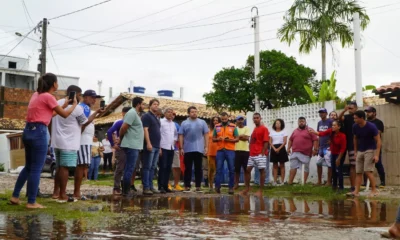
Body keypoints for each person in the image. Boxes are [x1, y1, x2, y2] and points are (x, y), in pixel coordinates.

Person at [9, 73, 78, 209]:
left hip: (28, 131)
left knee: (28, 166)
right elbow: (64, 115)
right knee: (36, 169)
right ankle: (32, 201)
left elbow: (48, 114)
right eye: (57, 82)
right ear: (53, 84)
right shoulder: (49, 96)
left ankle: (15, 196)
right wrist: (74, 105)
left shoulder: (36, 95)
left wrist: (64, 105)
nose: (58, 84)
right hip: (39, 132)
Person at [51, 85, 100, 202]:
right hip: (69, 142)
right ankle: (63, 195)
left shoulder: (57, 103)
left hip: (56, 141)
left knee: (59, 167)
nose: (80, 98)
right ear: (75, 94)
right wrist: (96, 114)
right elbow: (84, 122)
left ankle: (56, 193)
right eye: (79, 95)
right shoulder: (76, 108)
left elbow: (50, 119)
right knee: (65, 168)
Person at [73, 89, 104, 200]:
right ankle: (76, 192)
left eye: (95, 98)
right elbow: (83, 124)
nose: (94, 100)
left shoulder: (86, 108)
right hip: (83, 141)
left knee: (83, 166)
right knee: (81, 166)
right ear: (85, 97)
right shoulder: (84, 107)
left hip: (85, 140)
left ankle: (77, 192)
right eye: (92, 97)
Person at [347, 110, 381, 198]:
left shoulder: (371, 127)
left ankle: (374, 190)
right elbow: (355, 139)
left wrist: (377, 154)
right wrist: (355, 152)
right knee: (358, 171)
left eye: (356, 118)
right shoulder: (355, 126)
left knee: (368, 171)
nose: (354, 120)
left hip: (370, 149)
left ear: (361, 118)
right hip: (360, 150)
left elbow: (378, 141)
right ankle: (356, 191)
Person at [309, 120, 347, 191]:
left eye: (334, 125)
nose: (332, 127)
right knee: (333, 169)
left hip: (340, 154)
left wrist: (338, 158)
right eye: (332, 125)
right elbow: (322, 134)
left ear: (339, 127)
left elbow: (343, 148)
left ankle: (341, 187)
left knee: (339, 170)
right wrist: (313, 132)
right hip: (333, 153)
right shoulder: (331, 132)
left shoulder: (342, 136)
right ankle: (334, 186)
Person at [179, 106, 209, 192]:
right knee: (188, 168)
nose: (194, 113)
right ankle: (187, 186)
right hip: (187, 148)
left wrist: (206, 147)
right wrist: (181, 147)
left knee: (198, 168)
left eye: (195, 111)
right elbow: (181, 135)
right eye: (192, 112)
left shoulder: (202, 122)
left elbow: (206, 134)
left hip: (199, 148)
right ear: (189, 113)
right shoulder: (184, 123)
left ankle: (198, 186)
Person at [119, 97, 145, 196]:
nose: (144, 106)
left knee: (130, 167)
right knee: (129, 168)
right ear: (138, 104)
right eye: (143, 104)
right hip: (131, 145)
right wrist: (121, 139)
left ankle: (125, 190)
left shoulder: (136, 114)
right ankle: (126, 191)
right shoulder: (132, 113)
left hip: (134, 145)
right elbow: (123, 128)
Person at [240, 113, 269, 197]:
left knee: (261, 171)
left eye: (257, 118)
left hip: (260, 153)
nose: (255, 119)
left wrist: (263, 152)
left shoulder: (264, 129)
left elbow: (266, 141)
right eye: (254, 118)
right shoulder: (255, 128)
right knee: (247, 170)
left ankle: (260, 190)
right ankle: (247, 188)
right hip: (252, 153)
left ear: (260, 118)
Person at [107, 107, 132, 195]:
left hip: (131, 147)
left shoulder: (133, 123)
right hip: (121, 148)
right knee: (120, 168)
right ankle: (116, 187)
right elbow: (109, 132)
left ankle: (126, 187)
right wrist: (113, 144)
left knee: (129, 168)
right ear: (123, 113)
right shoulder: (120, 122)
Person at [213, 112, 239, 194]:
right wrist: (218, 138)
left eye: (225, 118)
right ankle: (217, 187)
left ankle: (231, 187)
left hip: (230, 150)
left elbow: (237, 139)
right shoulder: (217, 126)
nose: (224, 120)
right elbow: (213, 139)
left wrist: (230, 140)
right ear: (221, 118)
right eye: (222, 119)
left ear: (228, 118)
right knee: (218, 169)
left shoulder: (233, 126)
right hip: (220, 150)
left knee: (231, 169)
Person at [287, 117, 318, 184]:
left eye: (303, 121)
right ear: (298, 122)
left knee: (306, 168)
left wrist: (315, 149)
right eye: (300, 121)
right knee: (293, 167)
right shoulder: (295, 131)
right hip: (295, 152)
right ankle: (290, 183)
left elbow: (315, 140)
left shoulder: (310, 130)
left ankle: (303, 183)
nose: (301, 122)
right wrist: (288, 148)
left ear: (305, 122)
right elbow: (290, 140)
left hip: (306, 153)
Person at [142, 99, 161, 195]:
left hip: (157, 146)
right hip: (150, 145)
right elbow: (145, 130)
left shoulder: (156, 117)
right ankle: (146, 187)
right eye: (154, 104)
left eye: (157, 104)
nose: (156, 106)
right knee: (147, 166)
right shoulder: (146, 116)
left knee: (153, 167)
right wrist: (148, 143)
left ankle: (151, 186)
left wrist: (159, 146)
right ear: (150, 105)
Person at [338, 101, 358, 192]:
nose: (350, 109)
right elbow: (339, 118)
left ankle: (356, 185)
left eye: (352, 108)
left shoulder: (359, 117)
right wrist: (344, 110)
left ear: (356, 108)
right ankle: (348, 186)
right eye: (349, 108)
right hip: (346, 143)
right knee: (347, 165)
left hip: (355, 144)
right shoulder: (346, 117)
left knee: (355, 165)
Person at [364, 106, 385, 187]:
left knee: (378, 163)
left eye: (369, 112)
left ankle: (383, 182)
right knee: (365, 164)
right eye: (367, 112)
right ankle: (365, 183)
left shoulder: (379, 122)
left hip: (376, 146)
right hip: (366, 146)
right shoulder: (365, 122)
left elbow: (377, 133)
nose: (367, 114)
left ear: (374, 113)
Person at [158, 108, 178, 193]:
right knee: (163, 167)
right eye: (168, 112)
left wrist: (174, 141)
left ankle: (166, 186)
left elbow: (175, 135)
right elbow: (158, 135)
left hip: (171, 148)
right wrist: (159, 148)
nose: (170, 114)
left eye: (171, 112)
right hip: (163, 147)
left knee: (168, 168)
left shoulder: (173, 124)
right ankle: (161, 186)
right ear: (164, 113)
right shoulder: (161, 122)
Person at [316, 108, 333, 186]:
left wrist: (332, 140)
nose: (321, 114)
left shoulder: (330, 121)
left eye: (323, 112)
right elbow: (319, 134)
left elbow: (334, 131)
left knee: (329, 164)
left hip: (328, 147)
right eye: (320, 112)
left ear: (326, 113)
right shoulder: (319, 123)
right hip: (321, 147)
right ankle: (319, 181)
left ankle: (329, 181)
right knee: (318, 163)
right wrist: (318, 146)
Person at [269, 119, 288, 185]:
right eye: (276, 123)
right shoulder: (272, 132)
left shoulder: (284, 132)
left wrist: (279, 149)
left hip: (281, 148)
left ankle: (282, 181)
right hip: (273, 148)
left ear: (281, 124)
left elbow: (285, 142)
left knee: (282, 165)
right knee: (275, 165)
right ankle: (274, 181)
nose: (277, 124)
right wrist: (274, 148)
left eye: (279, 123)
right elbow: (270, 142)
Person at [234, 116, 250, 189]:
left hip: (245, 151)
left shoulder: (246, 128)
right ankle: (236, 184)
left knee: (246, 169)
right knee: (236, 169)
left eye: (241, 120)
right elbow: (234, 139)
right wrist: (241, 136)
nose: (240, 121)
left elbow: (246, 138)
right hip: (236, 151)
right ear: (236, 121)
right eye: (239, 120)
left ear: (243, 120)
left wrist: (238, 137)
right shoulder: (235, 129)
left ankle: (246, 185)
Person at [207, 116, 220, 191]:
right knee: (211, 169)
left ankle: (217, 185)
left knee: (218, 169)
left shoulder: (220, 129)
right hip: (210, 151)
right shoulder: (209, 130)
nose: (215, 121)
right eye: (214, 120)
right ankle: (210, 185)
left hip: (219, 151)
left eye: (217, 120)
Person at [172, 113, 183, 191]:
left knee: (177, 166)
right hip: (165, 148)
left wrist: (180, 147)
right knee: (167, 167)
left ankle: (176, 184)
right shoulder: (162, 122)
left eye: (173, 115)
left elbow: (180, 136)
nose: (171, 116)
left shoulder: (176, 125)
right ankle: (167, 183)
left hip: (175, 148)